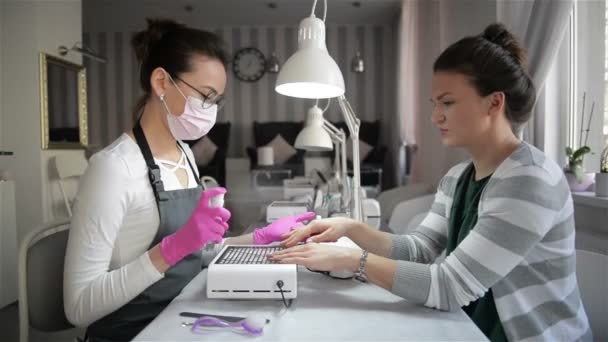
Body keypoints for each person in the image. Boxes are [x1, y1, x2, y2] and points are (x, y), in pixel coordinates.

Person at [270, 23, 591, 342]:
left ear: (495, 102)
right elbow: (419, 249)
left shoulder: (530, 180)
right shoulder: (458, 178)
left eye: (448, 102)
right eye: (434, 104)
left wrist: (353, 260)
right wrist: (349, 227)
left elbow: (450, 287)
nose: (435, 116)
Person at [63, 18, 314, 342]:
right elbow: (79, 306)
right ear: (162, 82)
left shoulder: (185, 155)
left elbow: (193, 254)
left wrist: (258, 239)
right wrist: (171, 248)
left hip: (181, 318)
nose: (211, 110)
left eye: (216, 101)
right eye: (205, 96)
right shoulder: (113, 169)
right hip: (132, 333)